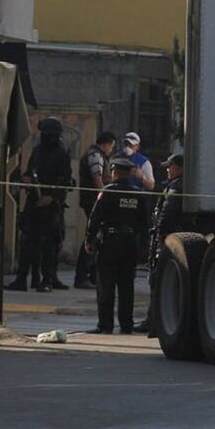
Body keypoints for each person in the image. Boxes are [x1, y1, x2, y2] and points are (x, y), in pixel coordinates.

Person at [7, 117, 73, 292]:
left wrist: (52, 197)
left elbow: (66, 181)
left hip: (51, 206)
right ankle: (22, 279)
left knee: (49, 246)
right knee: (27, 242)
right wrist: (26, 179)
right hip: (34, 203)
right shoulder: (37, 151)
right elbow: (30, 172)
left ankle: (47, 279)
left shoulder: (62, 154)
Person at [84, 157, 149, 334]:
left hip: (110, 243)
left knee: (106, 285)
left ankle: (105, 325)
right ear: (129, 174)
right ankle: (126, 325)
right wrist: (144, 246)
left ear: (114, 172)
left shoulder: (108, 191)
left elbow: (95, 218)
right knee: (127, 286)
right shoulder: (138, 193)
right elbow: (145, 222)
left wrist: (89, 239)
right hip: (129, 243)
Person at [135, 153, 185, 335]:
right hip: (172, 240)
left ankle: (153, 321)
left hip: (167, 241)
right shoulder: (176, 186)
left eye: (170, 166)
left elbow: (168, 213)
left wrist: (161, 234)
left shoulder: (176, 188)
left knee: (157, 279)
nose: (167, 169)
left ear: (179, 168)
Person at [75, 131, 116, 289]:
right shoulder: (95, 156)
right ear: (105, 144)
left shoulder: (97, 155)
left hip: (93, 201)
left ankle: (92, 276)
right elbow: (97, 178)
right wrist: (104, 198)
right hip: (93, 201)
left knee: (96, 237)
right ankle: (82, 276)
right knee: (91, 237)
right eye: (111, 146)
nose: (111, 150)